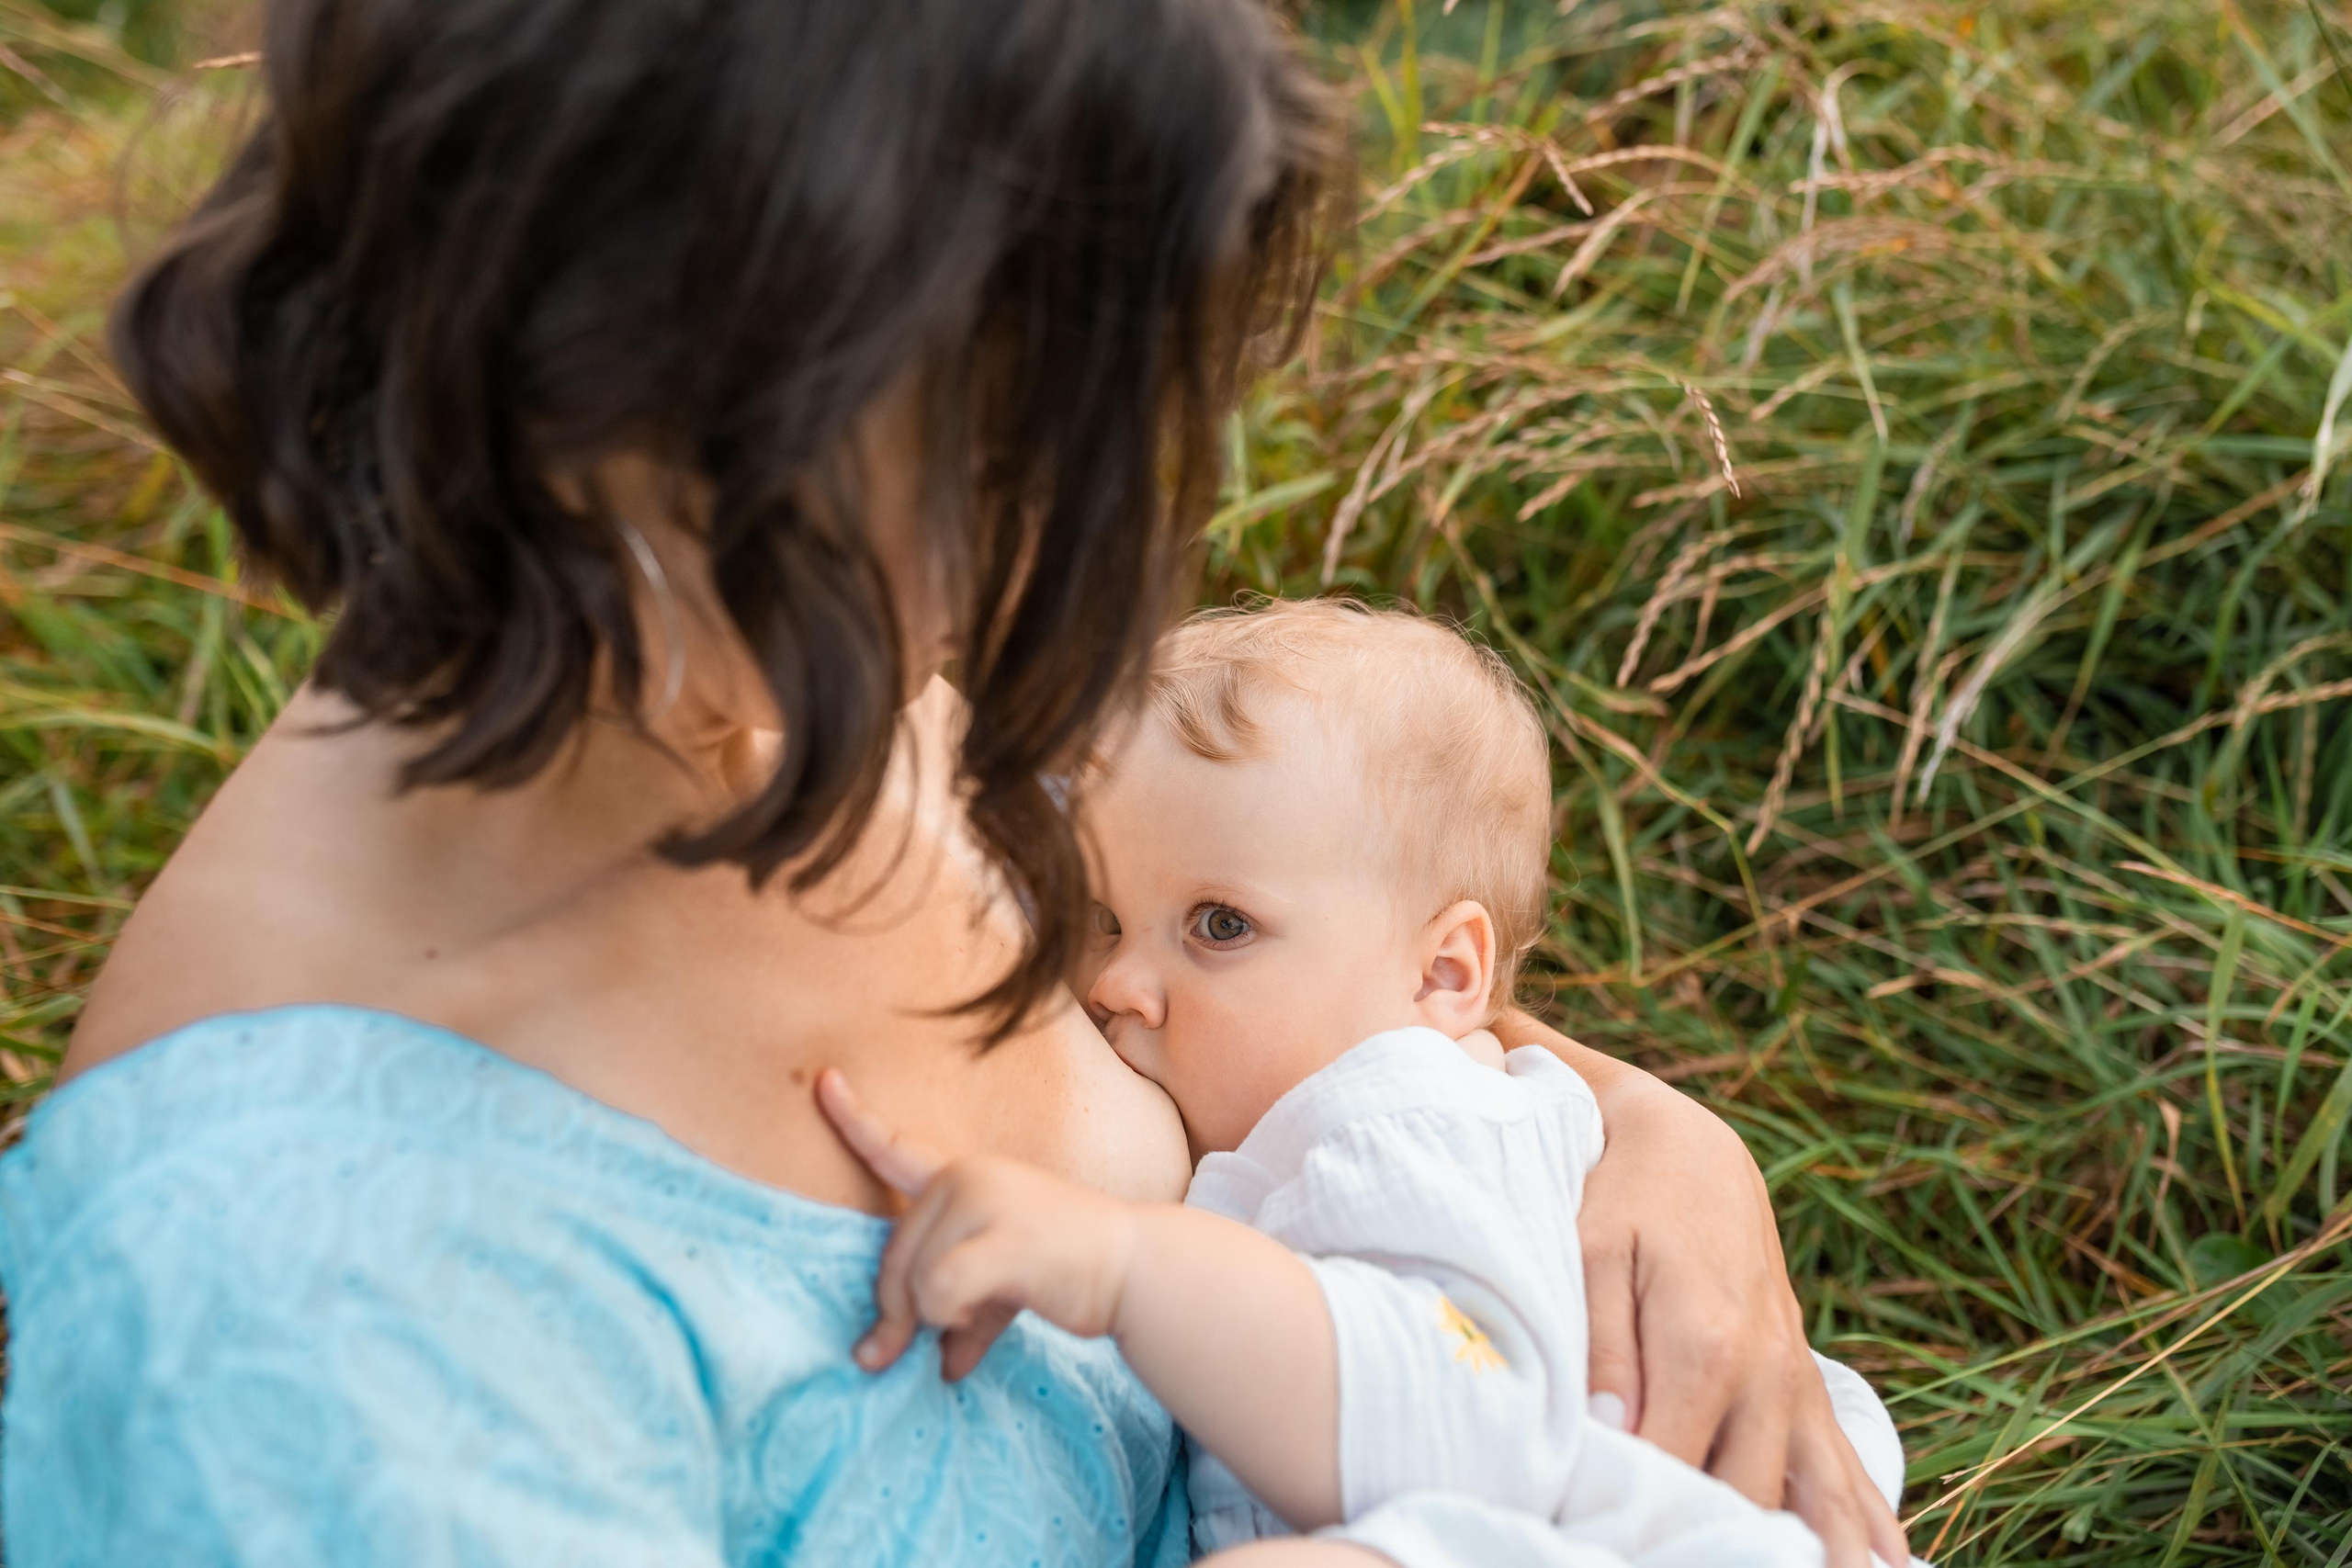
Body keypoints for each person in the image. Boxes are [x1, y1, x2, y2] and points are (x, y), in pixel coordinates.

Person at [0, 1, 1906, 1563]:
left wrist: (1640, 1139)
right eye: (993, 445)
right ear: (661, 386)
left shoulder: (752, 651)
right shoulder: (307, 1343)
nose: (1045, 571)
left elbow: (1271, 985)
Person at [815, 601, 1912, 1568]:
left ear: (1444, 974)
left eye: (1220, 926)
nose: (1113, 981)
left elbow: (1461, 1423)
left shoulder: (1397, 1121)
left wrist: (1121, 1270)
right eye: (1105, 919)